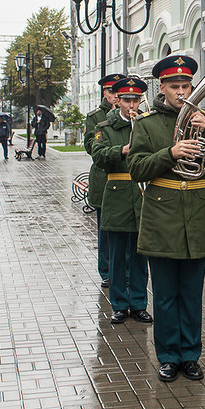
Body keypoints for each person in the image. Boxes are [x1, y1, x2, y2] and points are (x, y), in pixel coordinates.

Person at [128, 55, 205, 383]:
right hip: (162, 216)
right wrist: (170, 153)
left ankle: (191, 354)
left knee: (192, 292)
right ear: (163, 87)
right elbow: (137, 168)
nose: (183, 92)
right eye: (176, 87)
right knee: (167, 293)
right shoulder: (147, 123)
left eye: (187, 86)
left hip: (197, 214)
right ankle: (168, 355)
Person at [90, 77, 152, 326]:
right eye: (127, 100)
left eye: (135, 99)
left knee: (140, 255)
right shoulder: (105, 127)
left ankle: (138, 303)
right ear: (117, 101)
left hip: (142, 193)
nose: (132, 104)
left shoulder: (146, 124)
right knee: (116, 255)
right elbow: (98, 155)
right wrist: (122, 151)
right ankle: (118, 304)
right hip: (116, 193)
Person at [84, 73, 124, 287]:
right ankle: (107, 271)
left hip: (130, 182)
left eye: (119, 92)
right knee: (106, 230)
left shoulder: (135, 113)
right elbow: (92, 147)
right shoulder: (96, 117)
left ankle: (126, 270)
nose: (115, 96)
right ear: (105, 93)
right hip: (105, 179)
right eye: (111, 92)